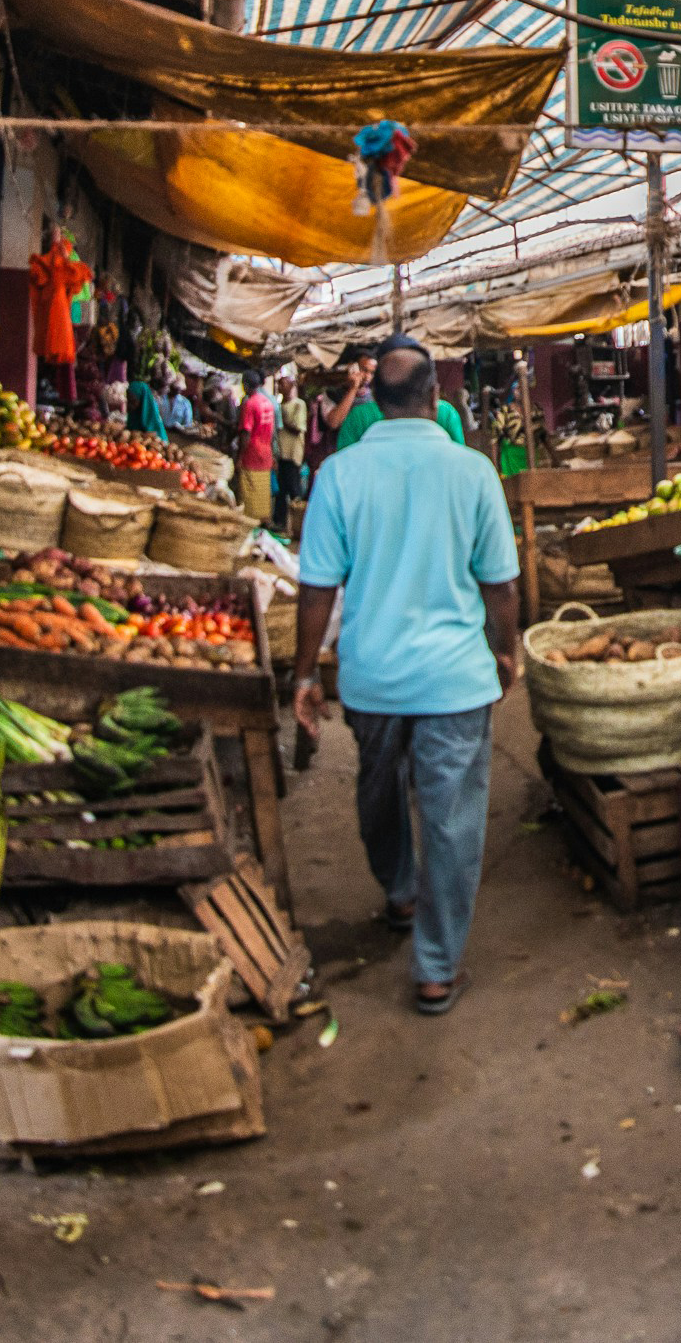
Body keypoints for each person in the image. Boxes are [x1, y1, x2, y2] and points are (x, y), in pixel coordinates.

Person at [292, 339, 520, 1015]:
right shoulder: (472, 470)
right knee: (450, 819)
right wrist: (504, 651)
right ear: (434, 398)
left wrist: (305, 674)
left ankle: (398, 891)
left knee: (378, 788)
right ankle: (435, 967)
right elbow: (500, 584)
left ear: (376, 403)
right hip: (454, 675)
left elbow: (316, 588)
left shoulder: (340, 472)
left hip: (373, 676)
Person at [335, 349, 466, 450]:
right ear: (434, 395)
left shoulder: (338, 469)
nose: (367, 377)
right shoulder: (477, 469)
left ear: (378, 399)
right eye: (364, 370)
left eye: (372, 372)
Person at [235, 371, 278, 528]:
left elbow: (246, 433)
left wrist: (239, 457)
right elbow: (273, 432)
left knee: (249, 498)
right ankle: (263, 526)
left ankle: (251, 528)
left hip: (252, 455)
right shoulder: (268, 403)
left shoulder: (250, 403)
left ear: (245, 385)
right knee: (262, 495)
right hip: (265, 454)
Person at [273, 366, 309, 523]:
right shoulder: (280, 405)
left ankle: (298, 523)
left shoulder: (298, 405)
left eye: (282, 384)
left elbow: (298, 428)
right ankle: (280, 522)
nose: (279, 387)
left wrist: (282, 419)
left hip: (293, 453)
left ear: (290, 385)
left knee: (294, 490)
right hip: (282, 453)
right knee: (282, 490)